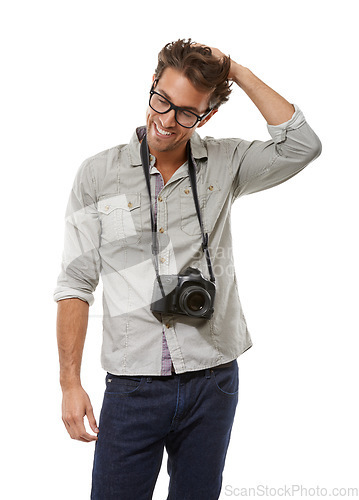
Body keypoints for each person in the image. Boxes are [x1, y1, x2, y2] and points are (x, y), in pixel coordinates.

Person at [54, 39, 322, 499]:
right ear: (152, 86)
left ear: (206, 117)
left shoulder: (227, 161)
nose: (165, 120)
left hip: (213, 380)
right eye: (161, 100)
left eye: (186, 113)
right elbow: (76, 284)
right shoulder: (97, 175)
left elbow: (302, 145)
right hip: (132, 385)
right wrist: (69, 383)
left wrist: (234, 69)